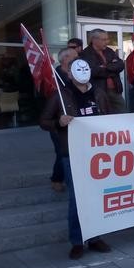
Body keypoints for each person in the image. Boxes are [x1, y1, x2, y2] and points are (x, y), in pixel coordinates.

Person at [39, 58, 112, 260]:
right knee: (77, 199)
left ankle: (95, 237)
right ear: (69, 74)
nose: (82, 72)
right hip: (72, 153)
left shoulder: (99, 93)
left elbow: (110, 117)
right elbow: (43, 121)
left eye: (85, 68)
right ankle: (78, 241)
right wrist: (58, 122)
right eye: (77, 69)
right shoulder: (60, 95)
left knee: (96, 196)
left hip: (97, 153)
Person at [48, 47, 79, 192]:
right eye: (75, 56)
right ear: (65, 59)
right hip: (59, 121)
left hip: (73, 120)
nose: (78, 58)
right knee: (63, 151)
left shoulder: (75, 73)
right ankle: (57, 179)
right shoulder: (55, 77)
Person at [80, 29, 126, 113]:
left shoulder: (109, 51)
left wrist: (104, 67)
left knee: (122, 111)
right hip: (99, 91)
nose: (107, 42)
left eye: (107, 39)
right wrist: (111, 68)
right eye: (104, 39)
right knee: (103, 114)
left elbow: (120, 65)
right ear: (94, 40)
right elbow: (92, 72)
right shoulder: (85, 54)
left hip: (115, 89)